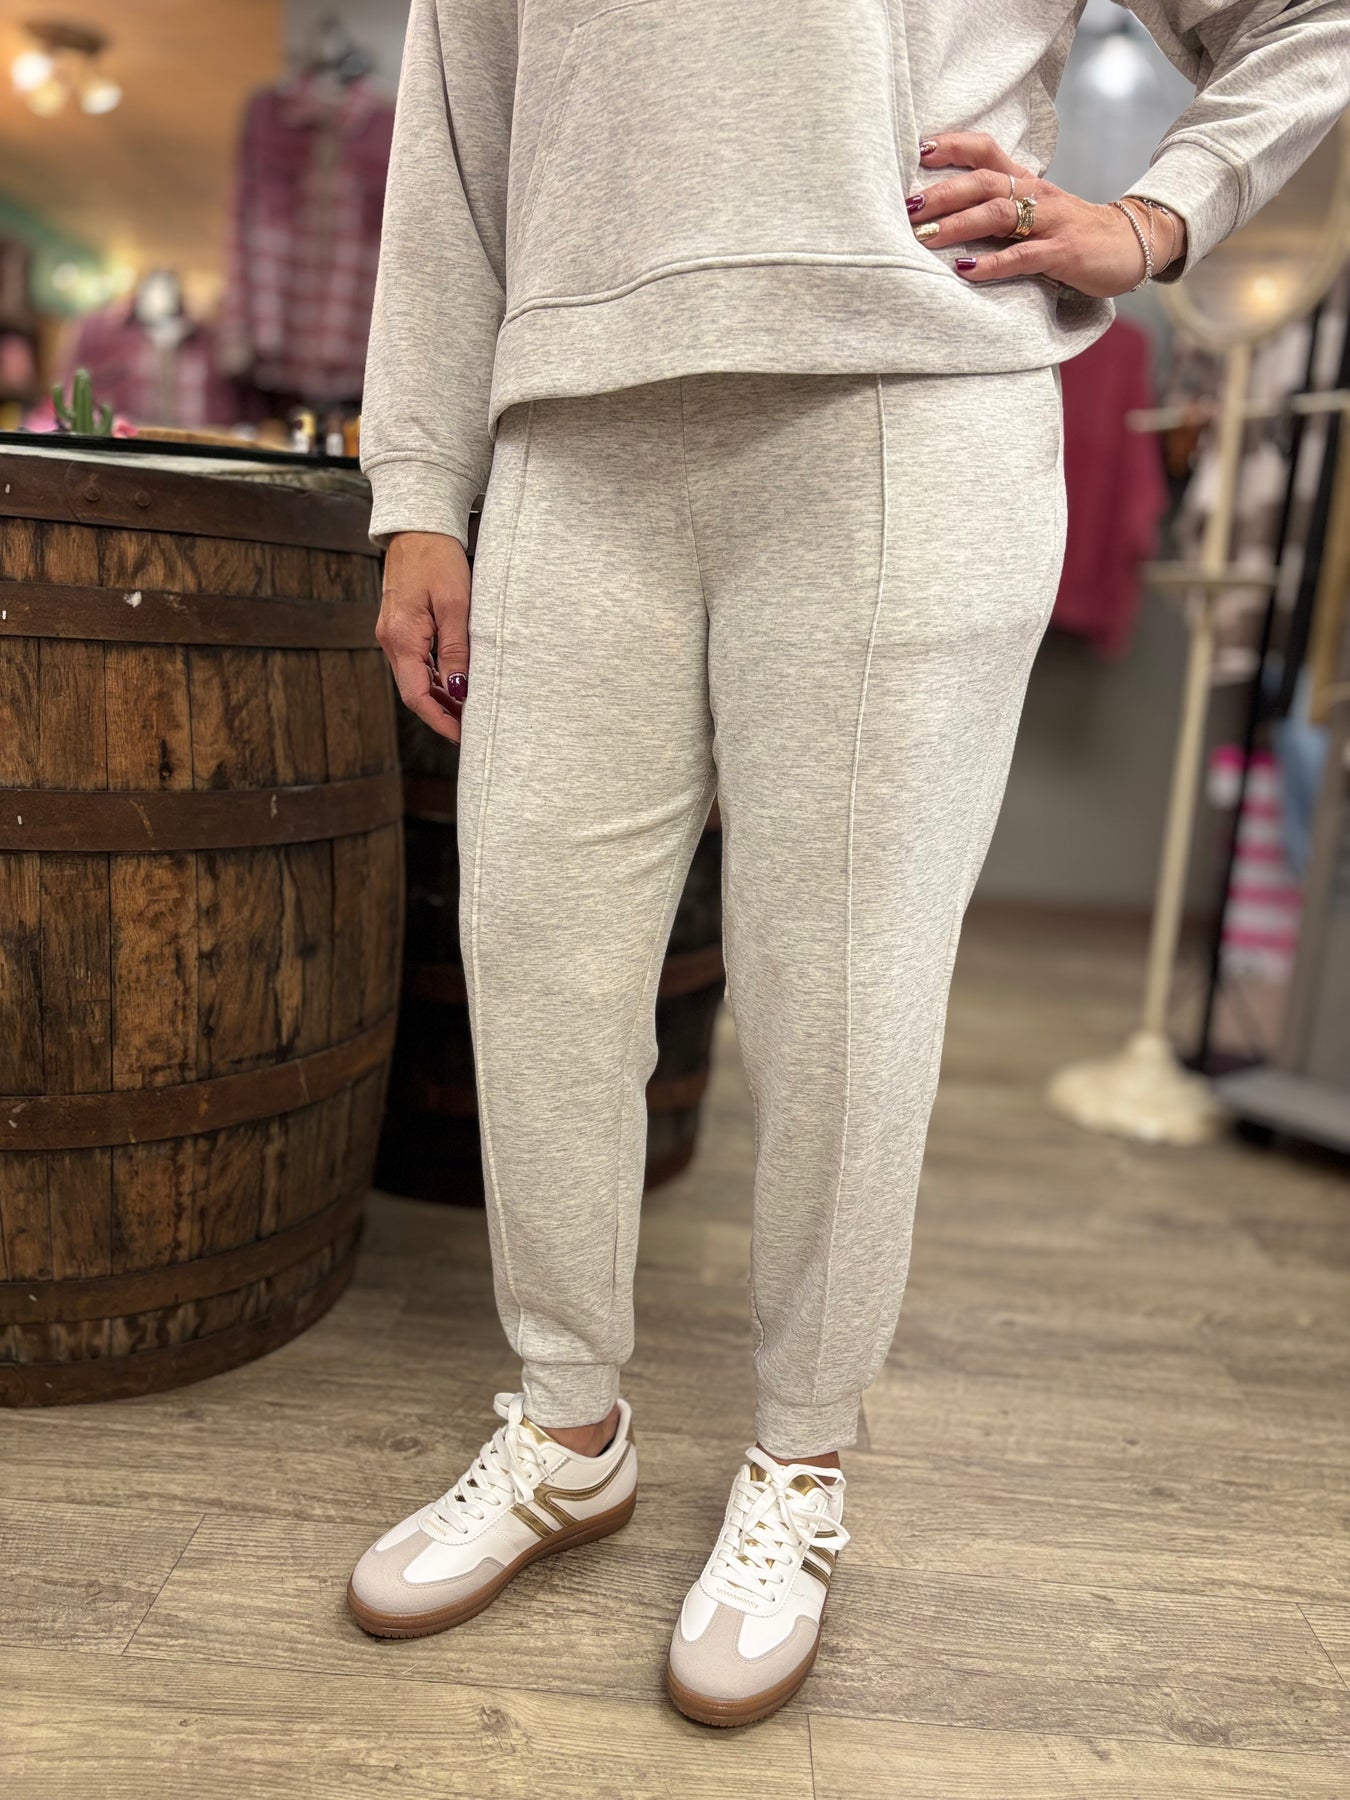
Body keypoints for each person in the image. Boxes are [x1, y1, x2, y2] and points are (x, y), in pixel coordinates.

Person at [347, 0, 1350, 1728]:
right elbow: (453, 142)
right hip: (572, 431)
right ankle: (566, 1429)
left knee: (844, 995)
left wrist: (1152, 218)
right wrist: (419, 490)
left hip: (908, 400)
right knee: (537, 962)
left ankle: (798, 1461)